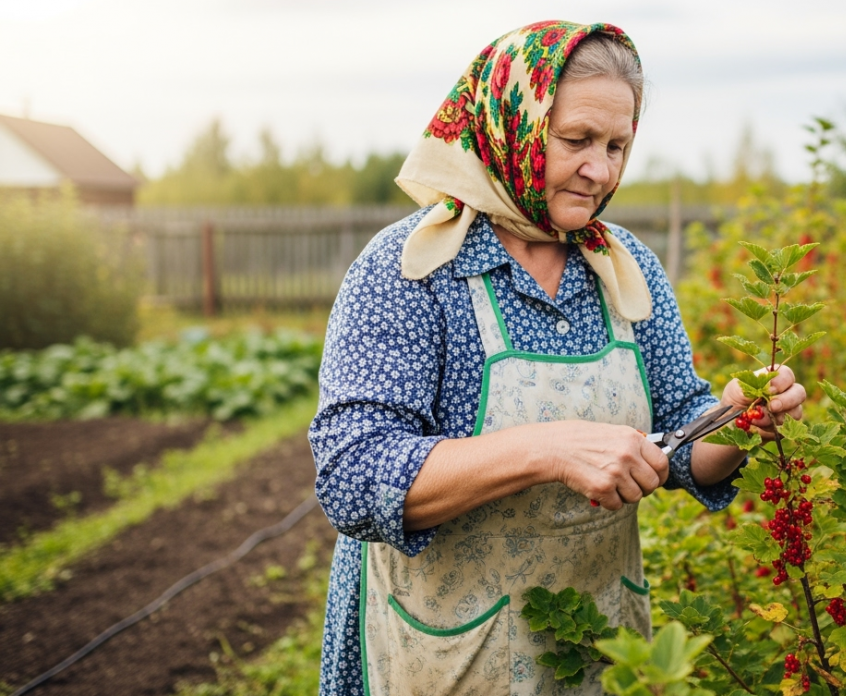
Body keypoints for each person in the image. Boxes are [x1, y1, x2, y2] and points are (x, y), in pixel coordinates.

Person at [308, 20, 807, 695]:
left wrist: (734, 420)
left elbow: (679, 436)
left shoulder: (624, 268)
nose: (600, 170)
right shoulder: (413, 271)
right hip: (447, 649)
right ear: (511, 122)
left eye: (617, 146)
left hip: (594, 642)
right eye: (575, 140)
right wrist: (549, 449)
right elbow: (353, 475)